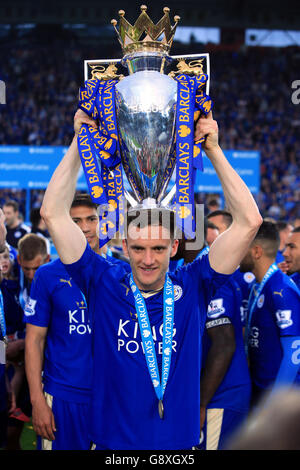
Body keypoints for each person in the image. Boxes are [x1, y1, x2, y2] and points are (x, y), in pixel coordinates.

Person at [39, 109, 262, 450]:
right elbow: (52, 213)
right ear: (124, 246)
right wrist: (77, 142)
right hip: (112, 443)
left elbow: (248, 221)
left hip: (176, 446)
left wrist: (214, 149)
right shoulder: (101, 280)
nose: (147, 260)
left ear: (174, 246)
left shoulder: (195, 283)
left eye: (158, 248)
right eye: (139, 248)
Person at [24, 193, 124, 450]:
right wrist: (37, 400)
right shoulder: (47, 275)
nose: (84, 227)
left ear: (104, 222)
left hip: (113, 397)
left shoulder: (123, 272)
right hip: (62, 397)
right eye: (75, 220)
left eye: (91, 218)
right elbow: (34, 340)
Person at [240, 221, 300, 408]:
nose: (237, 253)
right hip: (259, 393)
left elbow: (295, 352)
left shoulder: (280, 289)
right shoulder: (256, 287)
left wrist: (273, 405)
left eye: (242, 248)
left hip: (276, 404)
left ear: (256, 252)